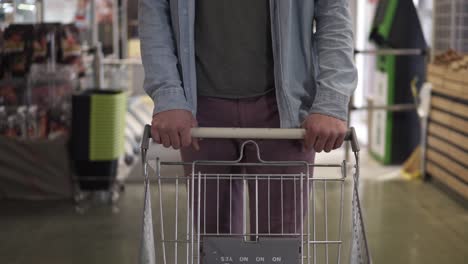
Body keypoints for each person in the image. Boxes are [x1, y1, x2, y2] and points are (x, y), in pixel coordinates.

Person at [139, 0, 357, 235]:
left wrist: (330, 101)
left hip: (286, 110)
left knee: (279, 246)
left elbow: (333, 13)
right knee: (214, 245)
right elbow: (154, 13)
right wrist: (168, 95)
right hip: (200, 110)